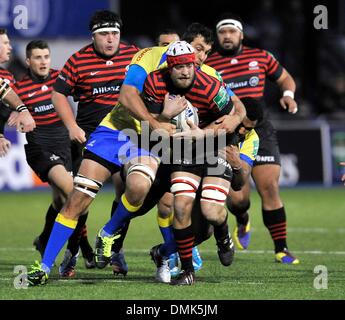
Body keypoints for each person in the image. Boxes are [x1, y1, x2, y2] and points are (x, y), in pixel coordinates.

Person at [26, 40, 244, 287]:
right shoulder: (148, 62)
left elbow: (238, 109)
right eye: (179, 55)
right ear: (167, 55)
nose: (192, 64)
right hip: (119, 129)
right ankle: (44, 266)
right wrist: (162, 119)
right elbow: (128, 95)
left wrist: (227, 124)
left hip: (157, 141)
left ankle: (114, 234)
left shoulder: (209, 76)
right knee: (79, 197)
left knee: (148, 193)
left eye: (200, 54)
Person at [104, 23, 242, 278]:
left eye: (192, 62)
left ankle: (221, 235)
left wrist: (205, 134)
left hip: (212, 149)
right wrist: (163, 120)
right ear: (169, 64)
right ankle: (184, 270)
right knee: (173, 206)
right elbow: (151, 127)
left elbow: (235, 117)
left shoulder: (210, 84)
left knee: (210, 216)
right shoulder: (155, 80)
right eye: (179, 65)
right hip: (179, 154)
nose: (187, 69)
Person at [30, 10, 140, 276]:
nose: (111, 39)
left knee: (130, 190)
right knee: (78, 199)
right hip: (93, 137)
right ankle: (70, 251)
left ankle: (115, 248)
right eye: (104, 34)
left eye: (115, 33)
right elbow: (58, 96)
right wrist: (72, 127)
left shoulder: (135, 56)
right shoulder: (78, 61)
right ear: (94, 36)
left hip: (129, 137)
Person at [206, 12, 299, 264]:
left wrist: (288, 94)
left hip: (260, 128)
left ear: (241, 35)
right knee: (237, 198)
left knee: (269, 187)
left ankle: (281, 248)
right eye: (222, 32)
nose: (227, 36)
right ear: (217, 37)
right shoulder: (209, 64)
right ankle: (242, 218)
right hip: (229, 130)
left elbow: (285, 78)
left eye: (232, 31)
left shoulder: (260, 57)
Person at [13, 40, 79, 278]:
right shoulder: (19, 89)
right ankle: (75, 251)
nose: (43, 62)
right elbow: (6, 111)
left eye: (46, 57)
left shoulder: (60, 80)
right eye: (37, 58)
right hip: (40, 149)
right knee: (74, 193)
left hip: (65, 146)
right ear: (28, 61)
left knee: (62, 202)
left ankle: (44, 239)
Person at [0, 28, 35, 136]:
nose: (9, 47)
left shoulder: (7, 75)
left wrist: (16, 110)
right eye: (5, 43)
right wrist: (21, 109)